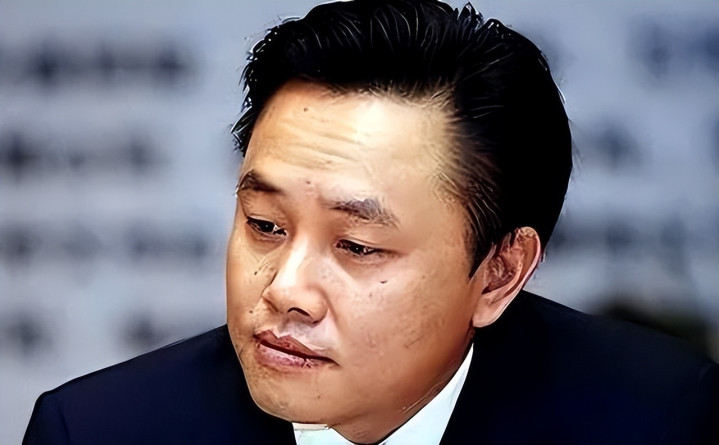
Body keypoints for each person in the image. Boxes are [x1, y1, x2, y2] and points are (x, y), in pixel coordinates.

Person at [23, 1, 718, 444]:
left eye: (356, 245)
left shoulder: (659, 419)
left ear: (498, 273)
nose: (285, 290)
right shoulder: (98, 430)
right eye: (265, 224)